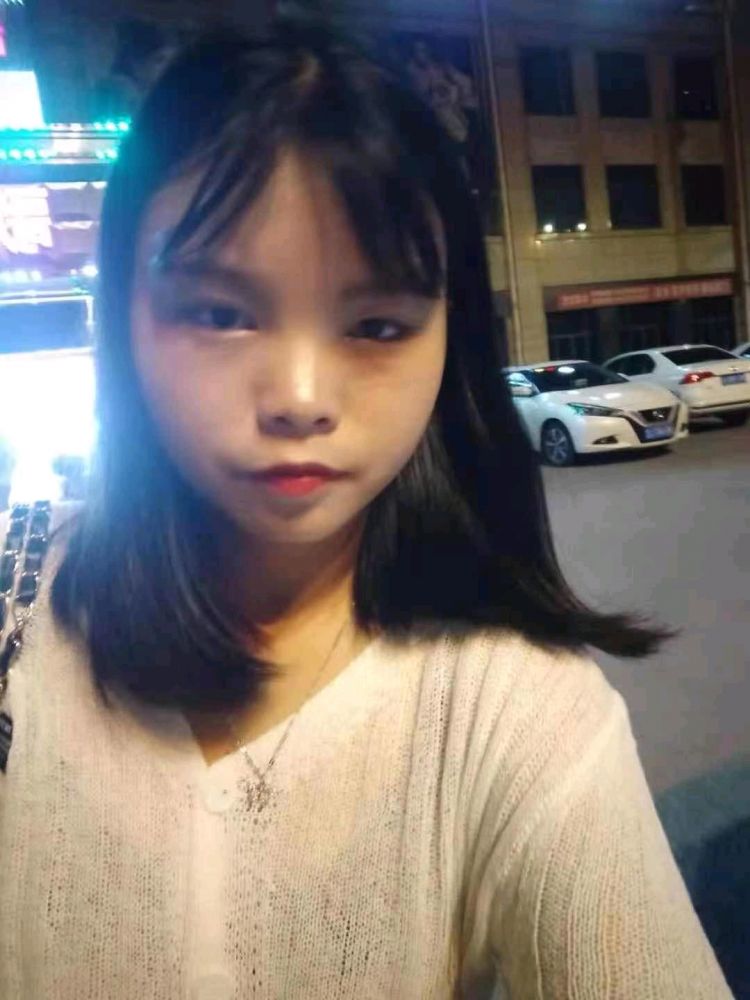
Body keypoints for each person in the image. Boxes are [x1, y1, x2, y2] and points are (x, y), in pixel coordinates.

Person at [0, 18, 733, 1000]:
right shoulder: (18, 606)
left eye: (377, 325)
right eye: (220, 312)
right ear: (125, 313)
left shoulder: (511, 708)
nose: (301, 398)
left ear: (451, 343)